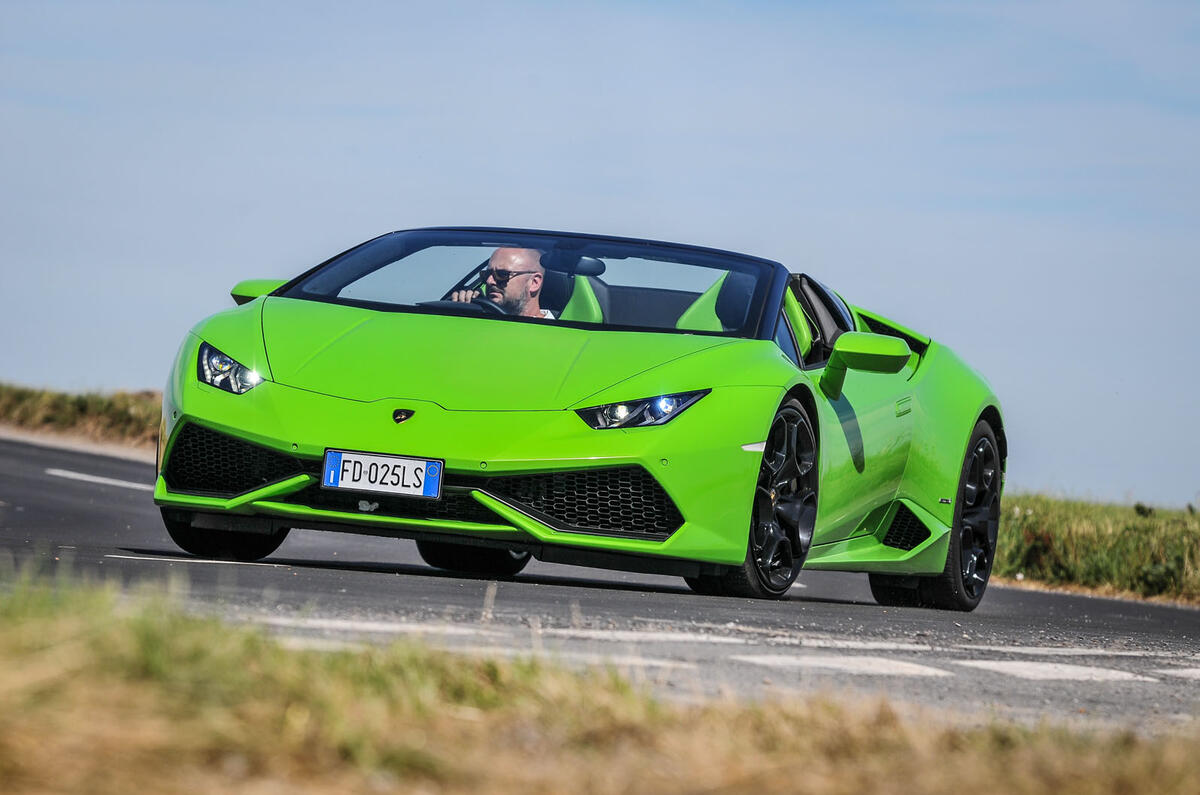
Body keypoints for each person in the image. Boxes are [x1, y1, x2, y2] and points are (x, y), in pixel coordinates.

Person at [450, 247, 555, 319]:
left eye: (502, 274)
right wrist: (462, 311)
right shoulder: (480, 323)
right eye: (486, 274)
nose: (489, 281)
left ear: (534, 282)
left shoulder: (556, 336)